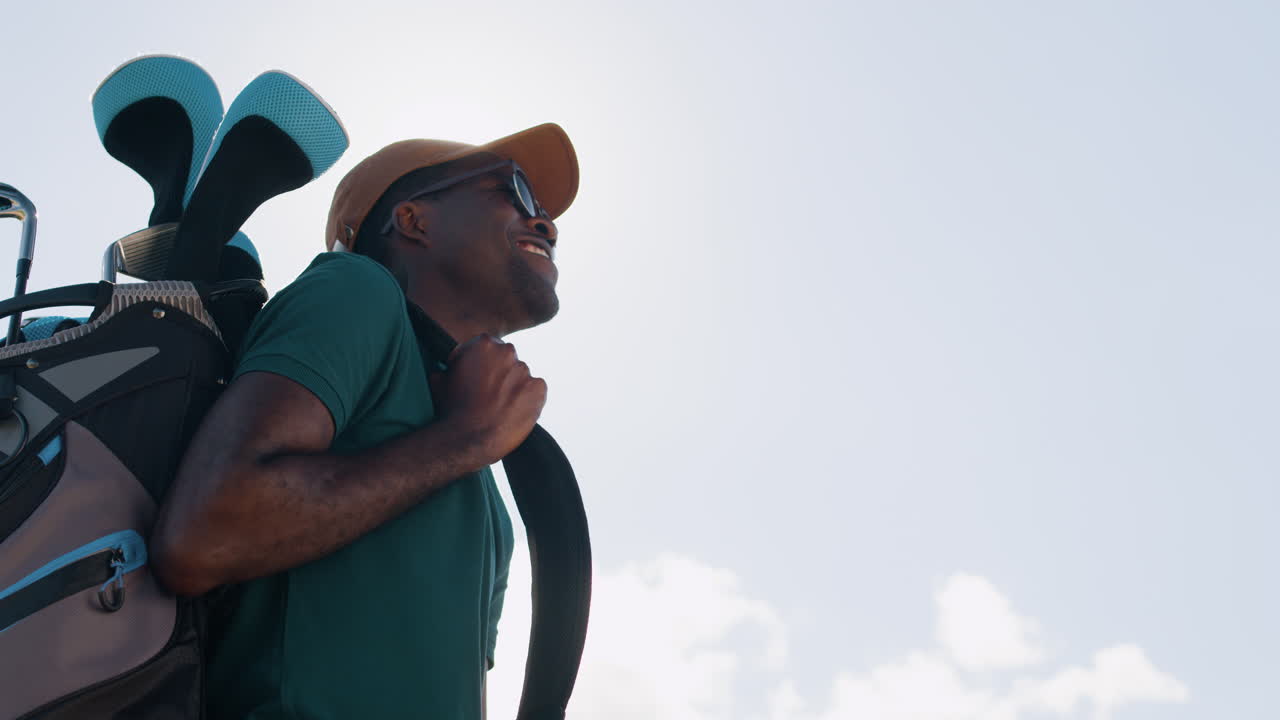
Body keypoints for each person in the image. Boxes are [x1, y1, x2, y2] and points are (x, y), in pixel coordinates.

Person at [150, 123, 579, 719]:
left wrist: (469, 440)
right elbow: (201, 538)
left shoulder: (488, 504)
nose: (545, 222)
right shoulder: (357, 289)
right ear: (413, 220)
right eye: (514, 192)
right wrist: (466, 438)